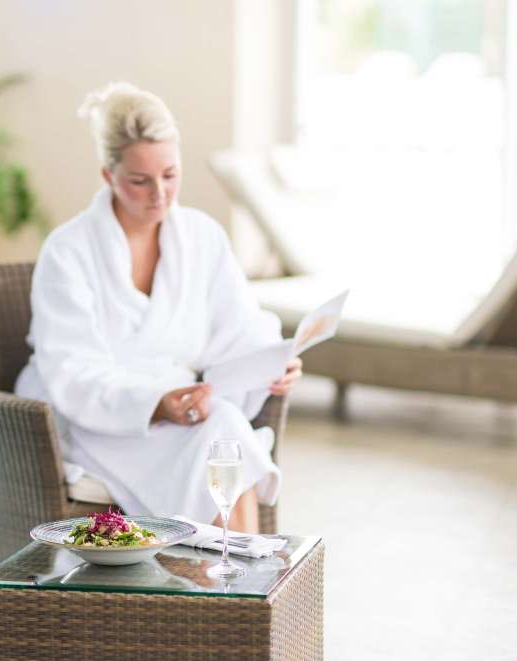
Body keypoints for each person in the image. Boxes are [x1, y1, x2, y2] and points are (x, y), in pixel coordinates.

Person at [15, 82, 302, 532]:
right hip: (95, 419)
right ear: (108, 175)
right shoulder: (68, 250)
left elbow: (241, 327)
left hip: (180, 410)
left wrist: (272, 363)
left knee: (223, 428)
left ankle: (224, 585)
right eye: (140, 181)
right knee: (223, 438)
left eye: (170, 175)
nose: (160, 195)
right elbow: (70, 370)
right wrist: (153, 404)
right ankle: (236, 587)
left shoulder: (201, 237)